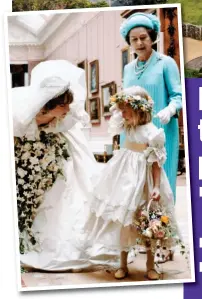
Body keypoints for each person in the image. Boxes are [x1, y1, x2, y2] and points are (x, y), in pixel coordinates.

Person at [13, 60, 118, 271]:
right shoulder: (22, 118)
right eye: (63, 105)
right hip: (30, 159)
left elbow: (70, 124)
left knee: (70, 191)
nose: (68, 109)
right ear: (47, 105)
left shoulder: (66, 120)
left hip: (56, 158)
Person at [84, 86, 181, 280]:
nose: (122, 114)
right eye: (121, 110)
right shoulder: (127, 127)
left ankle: (151, 265)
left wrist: (155, 186)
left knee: (149, 222)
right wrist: (121, 106)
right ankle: (122, 263)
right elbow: (116, 118)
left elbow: (155, 163)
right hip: (124, 177)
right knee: (123, 220)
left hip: (143, 179)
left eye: (125, 110)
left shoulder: (152, 132)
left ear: (138, 110)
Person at [119, 12, 182, 203]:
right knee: (134, 182)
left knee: (162, 180)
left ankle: (163, 225)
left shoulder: (166, 63)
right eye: (134, 39)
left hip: (160, 131)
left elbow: (178, 96)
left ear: (152, 37)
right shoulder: (128, 68)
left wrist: (170, 110)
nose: (139, 43)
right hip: (133, 133)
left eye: (143, 38)